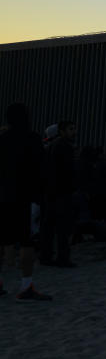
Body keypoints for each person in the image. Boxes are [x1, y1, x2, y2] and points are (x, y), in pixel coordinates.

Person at [0, 103, 52, 301]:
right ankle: (25, 285)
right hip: (25, 197)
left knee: (2, 240)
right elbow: (42, 169)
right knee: (26, 242)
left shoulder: (2, 139)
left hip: (3, 196)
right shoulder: (32, 139)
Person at [39, 120, 78, 267]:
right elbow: (68, 172)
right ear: (62, 131)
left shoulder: (51, 146)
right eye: (71, 129)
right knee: (62, 227)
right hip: (61, 193)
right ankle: (62, 258)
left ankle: (46, 256)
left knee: (48, 226)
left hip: (51, 192)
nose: (74, 132)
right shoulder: (65, 147)